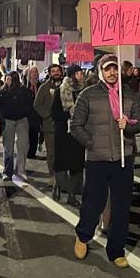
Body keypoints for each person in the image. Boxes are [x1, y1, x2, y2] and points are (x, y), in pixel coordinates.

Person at [71, 55, 140, 268]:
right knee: (93, 203)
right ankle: (83, 235)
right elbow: (75, 126)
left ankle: (116, 250)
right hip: (97, 159)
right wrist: (91, 143)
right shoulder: (88, 95)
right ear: (100, 71)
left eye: (115, 68)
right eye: (107, 69)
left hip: (124, 158)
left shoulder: (129, 94)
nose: (112, 73)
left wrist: (129, 125)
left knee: (122, 207)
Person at [52, 65, 86, 206]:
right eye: (78, 73)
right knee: (62, 163)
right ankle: (59, 185)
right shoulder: (61, 90)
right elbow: (55, 113)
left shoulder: (83, 91)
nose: (81, 75)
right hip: (63, 131)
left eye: (81, 73)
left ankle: (72, 194)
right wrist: (69, 114)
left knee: (76, 164)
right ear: (72, 75)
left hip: (77, 131)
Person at [0, 71, 34, 181]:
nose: (8, 82)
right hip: (8, 120)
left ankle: (21, 170)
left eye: (11, 79)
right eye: (7, 79)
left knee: (23, 145)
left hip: (22, 119)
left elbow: (30, 105)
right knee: (8, 147)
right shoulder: (1, 93)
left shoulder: (24, 92)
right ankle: (7, 171)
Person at [33, 64, 64, 185]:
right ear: (50, 73)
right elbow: (36, 105)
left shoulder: (66, 86)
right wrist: (48, 114)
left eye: (57, 71)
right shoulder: (44, 88)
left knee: (62, 152)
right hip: (50, 126)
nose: (56, 73)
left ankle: (62, 176)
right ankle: (52, 175)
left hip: (63, 125)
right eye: (53, 71)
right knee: (51, 153)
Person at [24, 65, 41, 159]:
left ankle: (32, 152)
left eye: (36, 72)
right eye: (32, 72)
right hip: (28, 113)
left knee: (35, 133)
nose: (34, 74)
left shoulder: (40, 85)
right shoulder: (25, 85)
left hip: (36, 113)